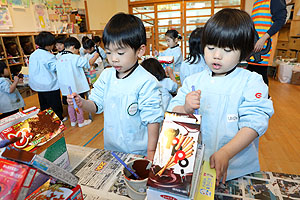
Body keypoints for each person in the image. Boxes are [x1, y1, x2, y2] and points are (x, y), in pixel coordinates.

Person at [167, 8, 274, 184]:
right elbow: (173, 111)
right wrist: (185, 108)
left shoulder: (251, 82)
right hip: (197, 165)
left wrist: (226, 152)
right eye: (211, 47)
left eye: (227, 50)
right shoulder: (194, 80)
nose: (216, 55)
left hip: (237, 169)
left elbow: (254, 124)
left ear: (244, 51)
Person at [67, 13, 164, 160]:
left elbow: (153, 121)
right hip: (112, 149)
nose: (113, 59)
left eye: (120, 52)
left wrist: (151, 153)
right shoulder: (107, 76)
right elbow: (96, 105)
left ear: (140, 50)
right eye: (108, 52)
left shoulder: (146, 82)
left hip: (139, 152)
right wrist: (82, 103)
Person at [247, 0, 287, 86]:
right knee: (251, 73)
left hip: (263, 43)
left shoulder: (275, 1)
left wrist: (263, 39)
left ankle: (266, 98)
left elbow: (280, 21)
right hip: (253, 44)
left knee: (260, 74)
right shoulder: (257, 2)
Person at [55, 37, 92, 128]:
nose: (77, 51)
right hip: (76, 85)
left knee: (70, 104)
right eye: (77, 49)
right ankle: (81, 121)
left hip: (65, 87)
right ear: (72, 47)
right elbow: (86, 64)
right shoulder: (75, 57)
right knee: (78, 103)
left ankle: (73, 121)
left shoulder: (58, 58)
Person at [29, 31, 63, 120]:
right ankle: (58, 119)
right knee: (55, 104)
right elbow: (55, 68)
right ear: (48, 45)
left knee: (44, 104)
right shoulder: (48, 56)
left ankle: (46, 119)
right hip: (49, 85)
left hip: (38, 85)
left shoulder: (33, 54)